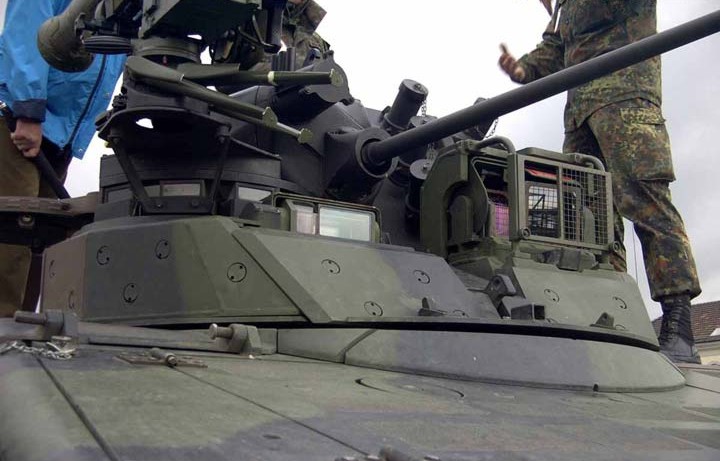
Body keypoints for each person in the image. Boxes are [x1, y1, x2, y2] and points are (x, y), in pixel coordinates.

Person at [498, 0, 702, 363]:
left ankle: (679, 323)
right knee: (588, 218)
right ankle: (615, 314)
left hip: (626, 98)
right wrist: (522, 69)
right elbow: (556, 49)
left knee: (644, 199)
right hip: (580, 116)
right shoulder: (565, 6)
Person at [0, 0, 125, 316]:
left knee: (43, 240)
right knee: (13, 233)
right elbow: (26, 31)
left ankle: (22, 331)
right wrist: (28, 110)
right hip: (19, 120)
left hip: (62, 133)